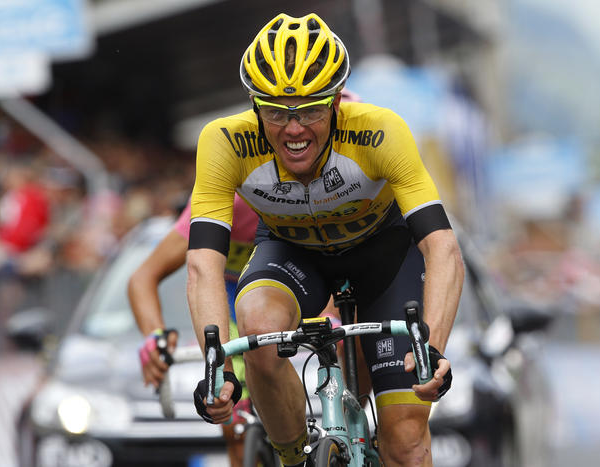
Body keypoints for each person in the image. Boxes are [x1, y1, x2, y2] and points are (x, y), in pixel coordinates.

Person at [186, 12, 464, 467]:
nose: (294, 130)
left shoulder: (381, 131)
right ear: (254, 105)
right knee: (256, 323)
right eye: (276, 111)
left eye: (311, 109)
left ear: (337, 100)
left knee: (406, 441)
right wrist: (219, 370)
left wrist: (430, 349)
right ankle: (294, 458)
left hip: (385, 261)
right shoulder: (222, 142)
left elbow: (443, 249)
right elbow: (202, 266)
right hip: (294, 255)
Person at [127, 194, 258, 467]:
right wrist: (155, 337)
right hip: (234, 312)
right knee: (236, 424)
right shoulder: (227, 198)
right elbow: (142, 278)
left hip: (294, 305)